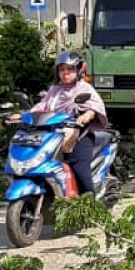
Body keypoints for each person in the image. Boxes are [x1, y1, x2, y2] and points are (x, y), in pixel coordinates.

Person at [29, 51, 107, 195]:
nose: (65, 73)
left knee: (80, 170)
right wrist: (24, 115)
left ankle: (90, 205)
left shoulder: (84, 88)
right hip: (53, 135)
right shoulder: (55, 90)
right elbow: (42, 106)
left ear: (78, 71)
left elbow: (95, 106)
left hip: (79, 136)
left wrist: (87, 115)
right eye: (62, 70)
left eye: (70, 70)